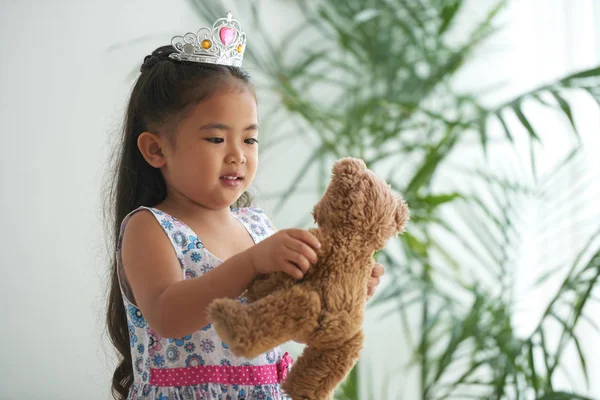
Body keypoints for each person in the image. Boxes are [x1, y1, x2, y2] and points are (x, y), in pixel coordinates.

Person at [104, 11, 385, 400]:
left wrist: (338, 287)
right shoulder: (151, 227)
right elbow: (167, 315)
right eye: (216, 140)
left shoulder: (255, 225)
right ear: (156, 149)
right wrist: (252, 263)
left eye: (249, 140)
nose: (237, 155)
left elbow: (283, 313)